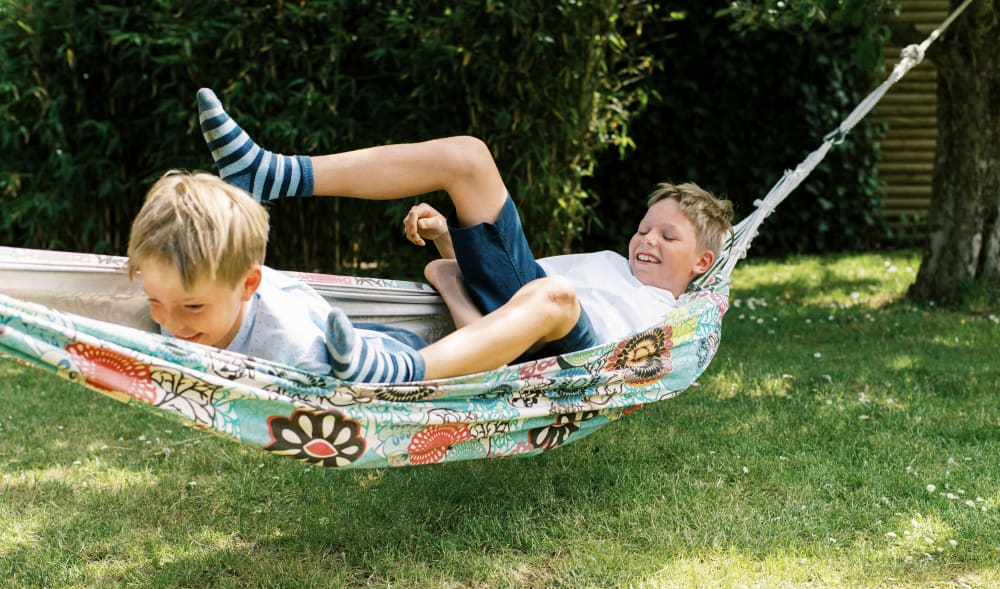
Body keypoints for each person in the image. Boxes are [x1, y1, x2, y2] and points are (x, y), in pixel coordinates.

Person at [194, 87, 734, 383]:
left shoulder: (682, 313)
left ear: (702, 262)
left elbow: (545, 300)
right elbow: (517, 292)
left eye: (668, 237)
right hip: (540, 318)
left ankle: (405, 367)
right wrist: (452, 242)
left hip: (591, 356)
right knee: (469, 157)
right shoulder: (609, 263)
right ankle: (270, 173)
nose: (647, 240)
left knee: (554, 296)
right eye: (644, 228)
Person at [126, 170, 427, 379]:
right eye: (155, 301)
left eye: (193, 306)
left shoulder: (293, 350)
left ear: (247, 285)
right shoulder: (182, 302)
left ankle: (449, 282)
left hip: (382, 355)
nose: (172, 322)